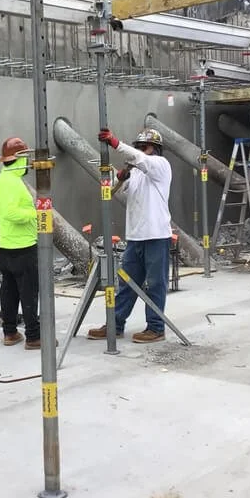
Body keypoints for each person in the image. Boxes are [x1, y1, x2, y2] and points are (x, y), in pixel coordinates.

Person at [87, 127, 172, 343]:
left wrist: (116, 143)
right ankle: (115, 324)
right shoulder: (136, 173)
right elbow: (125, 189)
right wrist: (123, 177)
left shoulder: (160, 166)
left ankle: (155, 327)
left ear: (156, 150)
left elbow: (139, 159)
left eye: (145, 147)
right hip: (135, 237)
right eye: (139, 147)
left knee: (155, 283)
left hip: (156, 235)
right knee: (126, 283)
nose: (141, 150)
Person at [0, 136, 41, 349]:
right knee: (28, 291)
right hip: (22, 247)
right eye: (26, 158)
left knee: (9, 291)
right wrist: (35, 212)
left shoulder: (3, 179)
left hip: (7, 246)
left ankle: (10, 332)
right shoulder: (12, 182)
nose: (29, 163)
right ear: (19, 159)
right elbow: (11, 212)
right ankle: (33, 336)